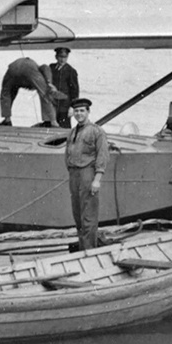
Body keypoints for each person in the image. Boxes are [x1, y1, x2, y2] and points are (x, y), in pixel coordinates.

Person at [65, 98, 109, 250]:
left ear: (88, 112)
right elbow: (68, 154)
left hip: (87, 174)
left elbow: (102, 155)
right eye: (76, 111)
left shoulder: (96, 131)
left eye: (82, 111)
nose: (79, 114)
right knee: (77, 214)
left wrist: (97, 179)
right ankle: (83, 247)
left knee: (88, 215)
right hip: (74, 175)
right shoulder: (72, 132)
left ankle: (89, 250)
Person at [0, 56, 61, 126]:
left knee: (6, 93)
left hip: (12, 67)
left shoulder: (38, 68)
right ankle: (52, 122)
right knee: (45, 94)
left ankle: (7, 120)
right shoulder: (39, 72)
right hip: (28, 68)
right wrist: (49, 83)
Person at [49, 47, 80, 128]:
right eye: (60, 57)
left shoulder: (71, 71)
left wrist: (72, 107)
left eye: (65, 57)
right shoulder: (51, 68)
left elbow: (75, 91)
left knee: (64, 126)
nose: (62, 60)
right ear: (56, 57)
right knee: (51, 126)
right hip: (52, 104)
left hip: (64, 106)